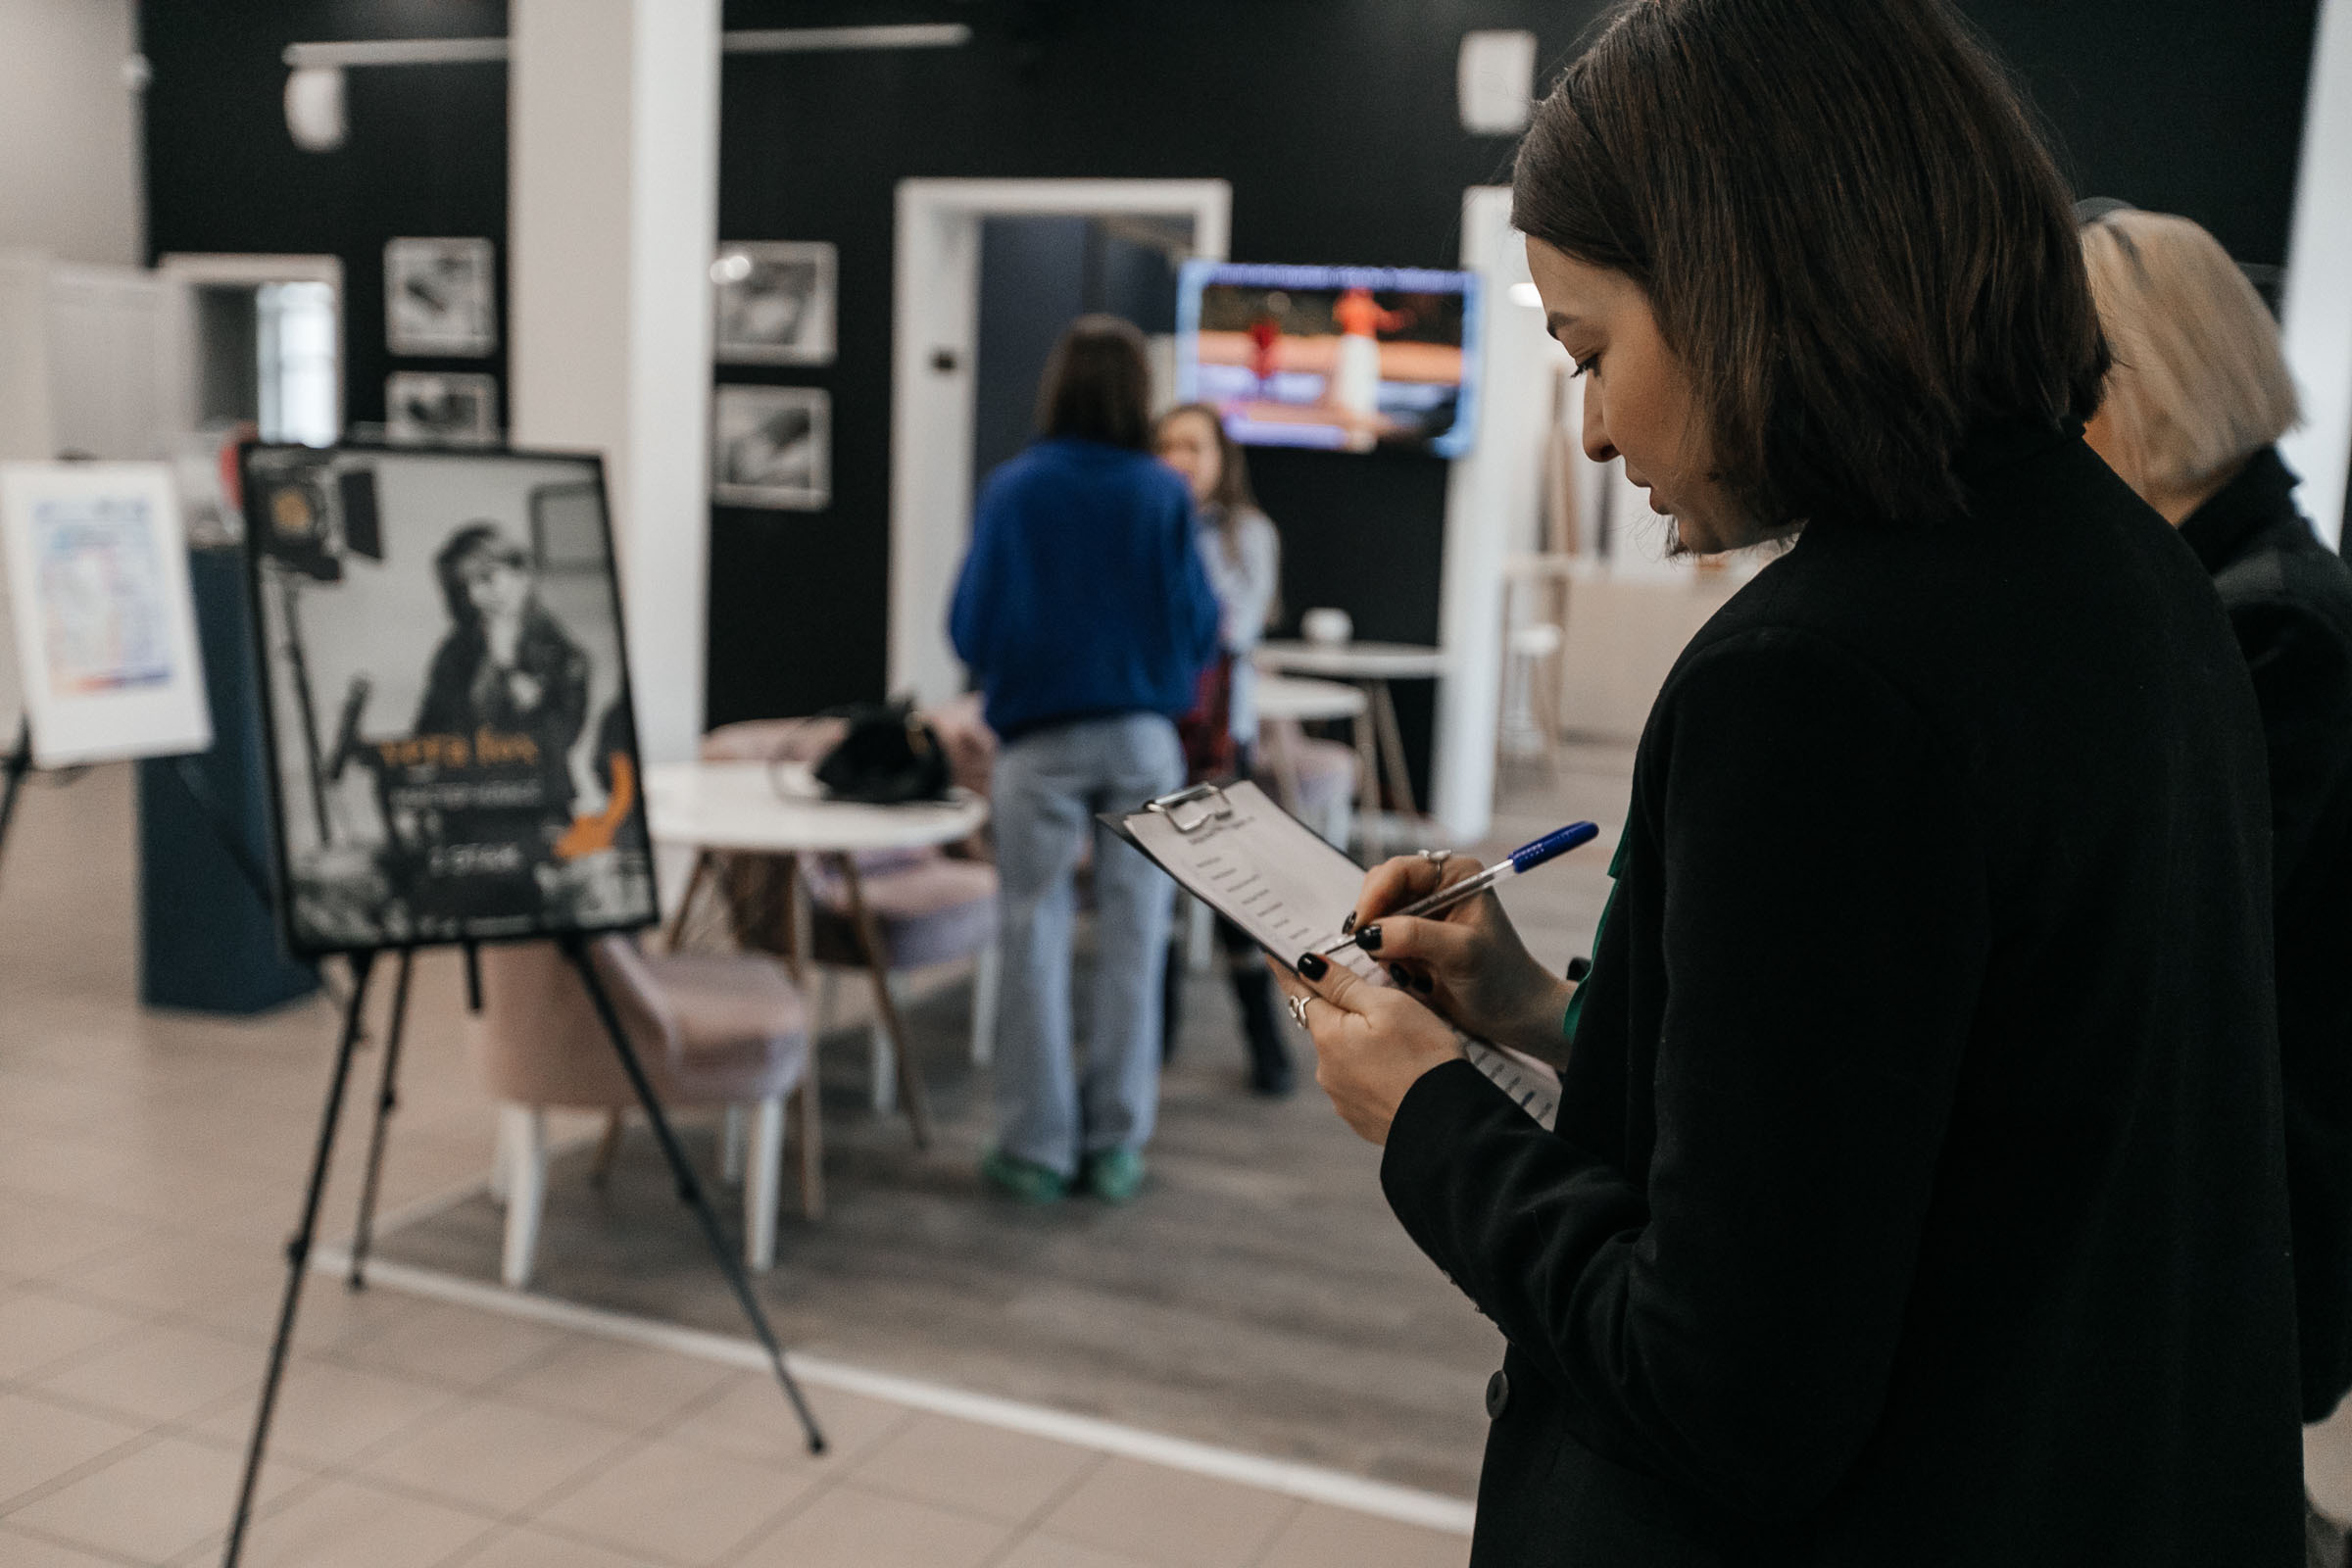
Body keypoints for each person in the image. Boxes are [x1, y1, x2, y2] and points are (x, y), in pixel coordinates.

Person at [1272, 0, 2303, 1561]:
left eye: (1595, 352)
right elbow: (1925, 1115)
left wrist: (1428, 1115)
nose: (1600, 429)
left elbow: (1723, 1390)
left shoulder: (1818, 675)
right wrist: (1555, 1011)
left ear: (1740, 283)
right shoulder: (2127, 577)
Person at [2078, 202, 2352, 1561]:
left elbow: (2186, 930)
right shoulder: (2239, 591)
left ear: (2136, 385)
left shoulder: (2272, 620)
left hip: (2246, 1205)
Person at [950, 316, 1221, 1205]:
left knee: (1030, 934)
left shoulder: (1015, 490)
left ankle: (1035, 1147)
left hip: (1037, 741)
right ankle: (1115, 1145)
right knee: (1136, 938)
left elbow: (970, 625)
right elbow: (1200, 625)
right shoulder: (1161, 493)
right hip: (1144, 737)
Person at [1152, 402, 1294, 1094]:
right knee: (1155, 892)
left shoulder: (1247, 533)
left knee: (1233, 896)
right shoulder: (1142, 524)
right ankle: (1155, 1039)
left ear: (1219, 458)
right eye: (1167, 445)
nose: (1179, 458)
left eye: (1193, 446)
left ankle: (1266, 1044)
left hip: (1216, 740)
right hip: (1153, 733)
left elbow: (1232, 624)